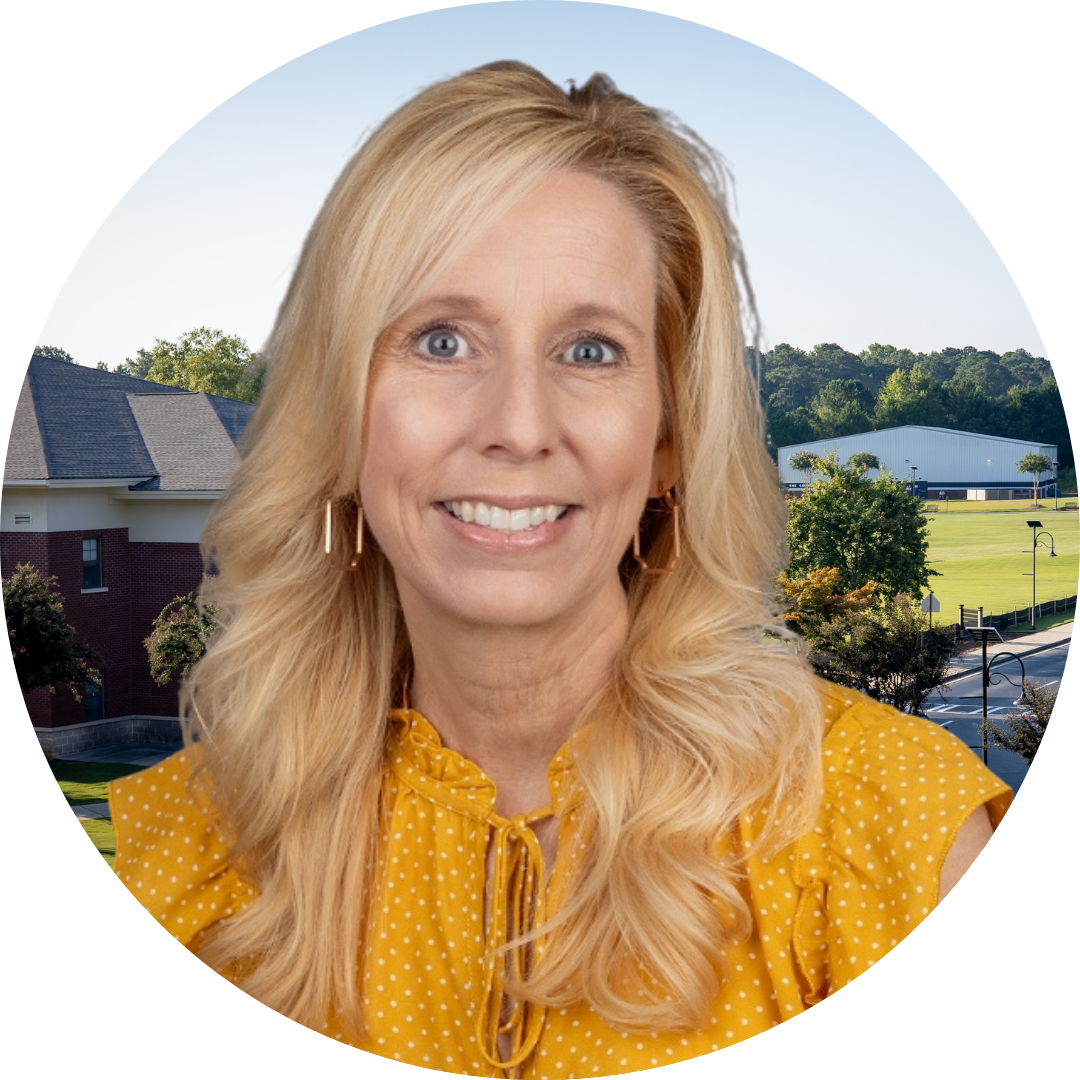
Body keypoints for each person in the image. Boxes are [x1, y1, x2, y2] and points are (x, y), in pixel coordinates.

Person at [109, 61, 1009, 1073]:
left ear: (669, 441)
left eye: (589, 351)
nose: (519, 428)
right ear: (338, 421)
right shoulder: (187, 854)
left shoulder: (882, 828)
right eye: (441, 341)